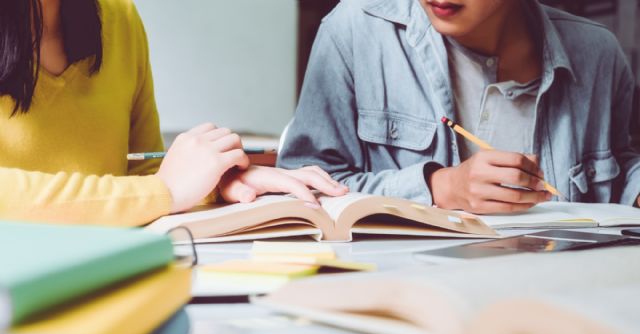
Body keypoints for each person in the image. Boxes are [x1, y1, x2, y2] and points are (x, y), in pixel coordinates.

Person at [0, 0, 347, 227]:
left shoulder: (118, 18)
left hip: (105, 278)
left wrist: (217, 181)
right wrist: (163, 191)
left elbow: (145, 174)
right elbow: (156, 189)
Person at [278, 0, 640, 213]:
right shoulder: (356, 29)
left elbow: (619, 170)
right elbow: (297, 187)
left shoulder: (598, 53)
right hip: (410, 298)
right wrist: (441, 188)